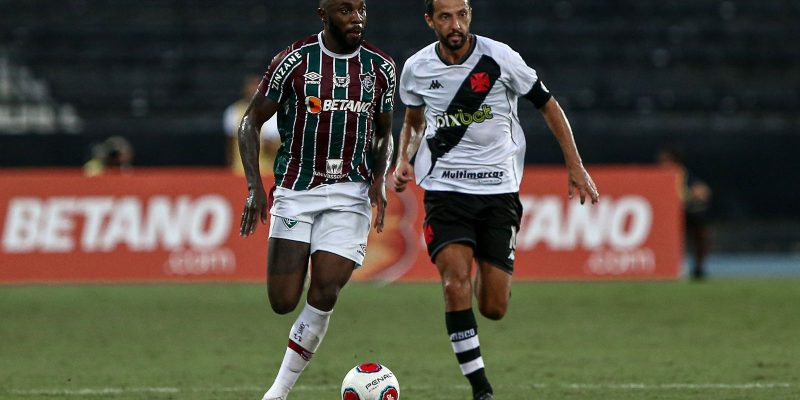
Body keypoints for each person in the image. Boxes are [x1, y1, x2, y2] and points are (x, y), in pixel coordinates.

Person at [392, 1, 599, 398]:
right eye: (446, 17)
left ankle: (482, 294)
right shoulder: (416, 68)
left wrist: (574, 165)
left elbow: (548, 105)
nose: (456, 25)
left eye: (463, 14)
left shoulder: (500, 58)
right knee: (455, 284)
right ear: (430, 21)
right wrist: (404, 157)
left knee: (493, 306)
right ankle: (481, 388)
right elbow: (413, 122)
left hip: (498, 193)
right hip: (445, 192)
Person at [237, 1, 396, 399]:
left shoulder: (381, 68)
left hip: (350, 193)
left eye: (361, 9)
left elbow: (384, 133)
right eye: (345, 10)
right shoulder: (293, 61)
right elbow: (250, 121)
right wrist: (255, 187)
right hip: (296, 191)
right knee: (282, 302)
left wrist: (379, 177)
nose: (356, 17)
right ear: (323, 14)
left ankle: (277, 392)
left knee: (325, 290)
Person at [657, 147, 712, 280]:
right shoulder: (657, 177)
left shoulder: (684, 175)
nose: (662, 164)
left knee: (700, 230)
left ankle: (699, 268)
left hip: (686, 213)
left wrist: (696, 194)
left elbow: (704, 191)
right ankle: (666, 267)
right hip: (666, 215)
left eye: (665, 161)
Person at [223, 74, 280, 175]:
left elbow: (281, 146)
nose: (254, 90)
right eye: (251, 86)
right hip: (240, 172)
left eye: (258, 86)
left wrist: (271, 146)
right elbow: (230, 143)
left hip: (266, 172)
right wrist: (230, 166)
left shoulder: (274, 113)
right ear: (245, 89)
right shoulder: (233, 111)